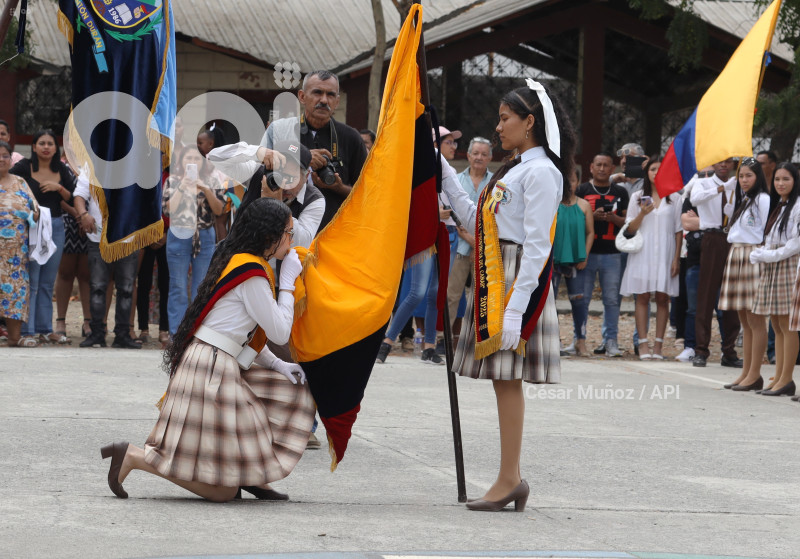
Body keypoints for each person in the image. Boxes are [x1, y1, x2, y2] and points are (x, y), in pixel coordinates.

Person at [99, 198, 314, 502]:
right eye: (289, 233)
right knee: (223, 493)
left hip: (214, 361)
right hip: (212, 367)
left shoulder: (244, 262)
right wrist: (289, 282)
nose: (292, 240)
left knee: (286, 393)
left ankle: (251, 476)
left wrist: (278, 365)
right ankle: (134, 457)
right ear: (270, 236)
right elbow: (279, 330)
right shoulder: (252, 271)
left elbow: (238, 333)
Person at [440, 81, 575, 512]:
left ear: (529, 122)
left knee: (508, 379)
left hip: (517, 278)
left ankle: (509, 478)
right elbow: (477, 220)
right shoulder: (514, 169)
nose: (498, 127)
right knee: (503, 379)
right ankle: (510, 478)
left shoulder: (541, 172)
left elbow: (537, 247)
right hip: (495, 272)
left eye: (505, 118)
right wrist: (443, 170)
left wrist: (516, 308)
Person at [376, 128, 457, 366]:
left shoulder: (448, 170)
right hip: (424, 234)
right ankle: (387, 342)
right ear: (433, 144)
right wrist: (434, 213)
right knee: (417, 291)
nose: (453, 146)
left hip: (445, 232)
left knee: (435, 292)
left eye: (454, 142)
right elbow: (410, 203)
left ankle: (429, 347)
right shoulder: (420, 168)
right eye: (447, 142)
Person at [261, 69, 367, 230]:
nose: (324, 100)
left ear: (337, 102)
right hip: (285, 231)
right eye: (317, 92)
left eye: (330, 95)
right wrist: (302, 158)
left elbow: (367, 194)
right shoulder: (280, 130)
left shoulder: (351, 138)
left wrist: (338, 187)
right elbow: (259, 176)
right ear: (302, 96)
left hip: (336, 235)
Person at [10, 130, 77, 345]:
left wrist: (59, 188)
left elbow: (74, 197)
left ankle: (45, 329)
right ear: (34, 147)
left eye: (50, 143)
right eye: (42, 143)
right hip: (30, 226)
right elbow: (9, 187)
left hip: (56, 225)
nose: (46, 147)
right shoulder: (23, 168)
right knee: (32, 281)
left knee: (48, 282)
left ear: (55, 148)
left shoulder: (62, 170)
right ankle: (27, 331)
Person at [620, 157, 682, 360]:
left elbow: (678, 231)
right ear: (646, 173)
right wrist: (642, 214)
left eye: (660, 169)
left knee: (663, 298)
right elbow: (629, 228)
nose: (656, 172)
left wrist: (676, 259)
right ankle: (643, 343)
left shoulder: (674, 198)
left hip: (665, 251)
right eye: (653, 169)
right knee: (643, 296)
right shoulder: (638, 196)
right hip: (643, 252)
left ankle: (659, 346)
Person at [73, 168, 141, 349]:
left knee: (126, 288)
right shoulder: (92, 165)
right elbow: (79, 195)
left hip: (128, 237)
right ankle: (97, 334)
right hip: (98, 237)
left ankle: (123, 335)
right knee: (97, 287)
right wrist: (83, 214)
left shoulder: (136, 164)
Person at [717, 157, 770, 391]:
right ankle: (746, 372)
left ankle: (755, 373)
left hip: (753, 255)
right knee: (744, 321)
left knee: (756, 319)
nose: (744, 180)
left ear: (758, 177)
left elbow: (767, 231)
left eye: (749, 175)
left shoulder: (764, 199)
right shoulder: (744, 199)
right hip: (736, 254)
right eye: (741, 176)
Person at [162, 145, 226, 335]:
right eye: (187, 158)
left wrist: (205, 188)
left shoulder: (211, 180)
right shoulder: (173, 181)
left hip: (205, 235)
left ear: (203, 162)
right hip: (178, 234)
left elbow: (219, 210)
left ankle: (197, 333)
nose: (192, 162)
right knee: (178, 286)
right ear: (180, 161)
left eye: (196, 158)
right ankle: (177, 334)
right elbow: (168, 210)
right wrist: (183, 186)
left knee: (202, 287)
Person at [750, 162, 800, 396]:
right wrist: (765, 252)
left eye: (786, 179)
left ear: (795, 181)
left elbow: (794, 243)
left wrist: (770, 254)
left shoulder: (798, 205)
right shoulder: (781, 205)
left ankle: (787, 378)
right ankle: (779, 376)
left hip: (788, 264)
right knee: (777, 324)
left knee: (788, 324)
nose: (780, 183)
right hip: (774, 263)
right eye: (778, 179)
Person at [689, 158, 742, 368]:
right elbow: (696, 199)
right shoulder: (703, 182)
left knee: (731, 296)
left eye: (728, 162)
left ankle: (729, 352)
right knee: (706, 295)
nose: (724, 165)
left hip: (732, 237)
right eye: (720, 162)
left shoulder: (737, 183)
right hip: (711, 237)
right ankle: (701, 350)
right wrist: (721, 188)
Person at [575, 152, 629, 357]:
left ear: (612, 169)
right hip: (587, 253)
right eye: (598, 165)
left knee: (612, 299)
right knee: (583, 299)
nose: (602, 169)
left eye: (606, 165)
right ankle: (579, 339)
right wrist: (591, 216)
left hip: (613, 253)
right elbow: (574, 219)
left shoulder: (620, 192)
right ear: (591, 167)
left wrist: (612, 218)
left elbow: (627, 223)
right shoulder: (582, 190)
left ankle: (611, 341)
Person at [447, 136, 493, 333]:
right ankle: (444, 339)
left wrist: (478, 242)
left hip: (486, 249)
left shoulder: (497, 183)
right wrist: (469, 239)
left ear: (490, 158)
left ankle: (478, 338)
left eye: (484, 154)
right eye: (475, 153)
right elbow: (452, 214)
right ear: (468, 155)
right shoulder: (456, 180)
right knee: (451, 295)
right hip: (458, 246)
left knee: (481, 296)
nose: (479, 158)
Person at [0, 140, 40, 346]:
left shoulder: (20, 182)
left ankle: (14, 338)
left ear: (11, 158)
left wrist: (34, 213)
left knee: (15, 290)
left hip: (16, 252)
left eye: (5, 155)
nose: (1, 159)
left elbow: (35, 207)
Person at [553, 169, 593, 356]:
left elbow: (590, 232)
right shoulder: (551, 204)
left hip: (577, 260)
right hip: (553, 260)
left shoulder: (584, 205)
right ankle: (554, 341)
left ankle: (581, 340)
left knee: (579, 302)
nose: (569, 184)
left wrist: (584, 255)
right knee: (550, 303)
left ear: (579, 182)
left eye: (573, 180)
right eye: (566, 180)